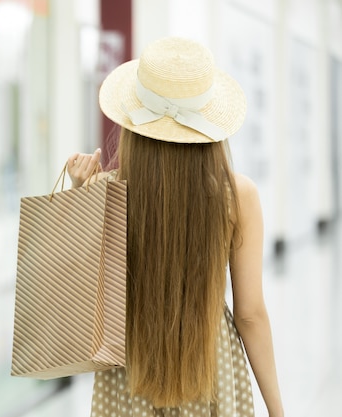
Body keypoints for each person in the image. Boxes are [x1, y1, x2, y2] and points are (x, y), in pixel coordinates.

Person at [67, 37, 283, 417]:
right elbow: (250, 314)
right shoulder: (238, 195)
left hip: (130, 372)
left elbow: (85, 298)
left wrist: (79, 196)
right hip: (209, 366)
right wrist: (277, 410)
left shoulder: (107, 190)